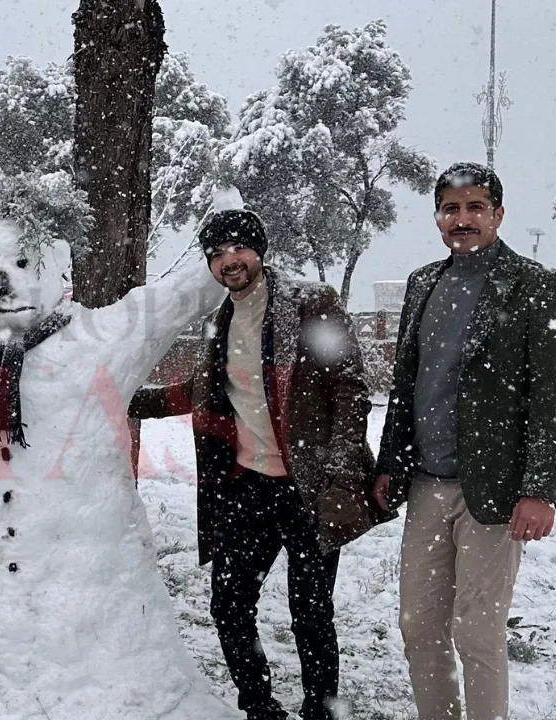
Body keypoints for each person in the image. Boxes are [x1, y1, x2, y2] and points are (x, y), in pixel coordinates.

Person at [130, 192, 386, 720]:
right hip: (247, 487)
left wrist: (340, 474)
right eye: (218, 251)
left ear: (260, 251)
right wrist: (125, 396)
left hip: (309, 486)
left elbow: (349, 386)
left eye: (240, 247)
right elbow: (206, 388)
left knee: (310, 611)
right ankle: (259, 706)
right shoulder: (220, 321)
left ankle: (321, 709)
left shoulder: (310, 303)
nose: (230, 259)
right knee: (228, 603)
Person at [373, 162, 556, 720]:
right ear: (438, 217)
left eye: (475, 208)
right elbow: (408, 382)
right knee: (418, 624)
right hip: (427, 485)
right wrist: (392, 461)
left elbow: (552, 399)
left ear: (498, 214)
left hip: (495, 490)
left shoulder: (537, 286)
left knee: (478, 631)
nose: (462, 219)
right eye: (451, 209)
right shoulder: (422, 283)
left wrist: (540, 489)